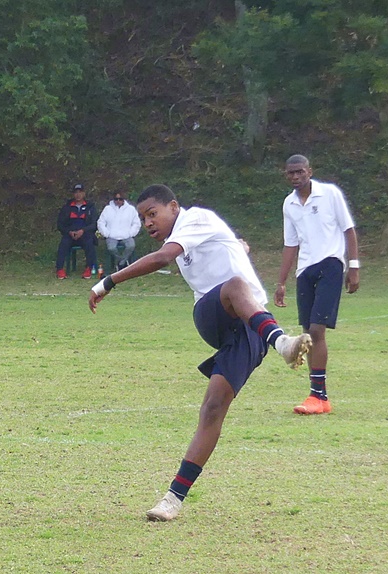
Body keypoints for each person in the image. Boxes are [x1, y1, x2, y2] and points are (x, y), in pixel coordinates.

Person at [88, 184, 312, 522]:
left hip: (251, 327)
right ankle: (281, 342)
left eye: (153, 214)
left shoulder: (197, 218)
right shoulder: (184, 237)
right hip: (214, 315)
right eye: (142, 217)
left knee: (212, 409)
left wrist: (108, 281)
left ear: (174, 207)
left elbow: (173, 254)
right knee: (236, 285)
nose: (148, 222)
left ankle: (172, 499)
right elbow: (175, 256)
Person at [274, 154, 360, 415]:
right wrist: (281, 282)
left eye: (300, 171)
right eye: (291, 173)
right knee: (308, 334)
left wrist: (354, 267)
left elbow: (349, 230)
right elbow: (291, 244)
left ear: (310, 171)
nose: (296, 176)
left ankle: (318, 397)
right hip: (305, 270)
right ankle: (318, 396)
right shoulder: (289, 204)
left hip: (331, 264)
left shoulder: (329, 194)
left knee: (316, 330)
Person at [55, 183, 99, 279]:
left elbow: (94, 224)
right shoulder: (67, 207)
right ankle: (60, 269)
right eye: (76, 192)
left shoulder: (90, 207)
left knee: (89, 243)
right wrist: (69, 232)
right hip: (70, 234)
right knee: (63, 244)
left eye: (80, 192)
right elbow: (60, 224)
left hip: (85, 234)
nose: (78, 195)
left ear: (84, 193)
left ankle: (89, 268)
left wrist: (83, 230)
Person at [97, 191, 141, 272]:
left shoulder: (131, 209)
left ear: (123, 199)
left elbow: (136, 223)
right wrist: (106, 233)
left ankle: (120, 263)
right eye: (116, 199)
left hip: (126, 235)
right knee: (111, 248)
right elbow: (101, 222)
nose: (118, 201)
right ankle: (123, 263)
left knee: (131, 246)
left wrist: (131, 233)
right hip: (112, 236)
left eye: (120, 199)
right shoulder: (107, 209)